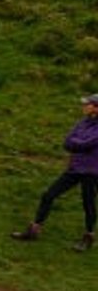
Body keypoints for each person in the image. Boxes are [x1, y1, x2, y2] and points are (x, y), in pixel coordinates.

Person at [12, 94, 98, 251]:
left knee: (88, 203)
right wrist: (77, 144)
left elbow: (87, 143)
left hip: (92, 171)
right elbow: (68, 142)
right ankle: (34, 230)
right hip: (74, 168)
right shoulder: (82, 122)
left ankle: (88, 237)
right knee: (48, 195)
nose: (84, 106)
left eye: (88, 104)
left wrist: (76, 144)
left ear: (96, 108)